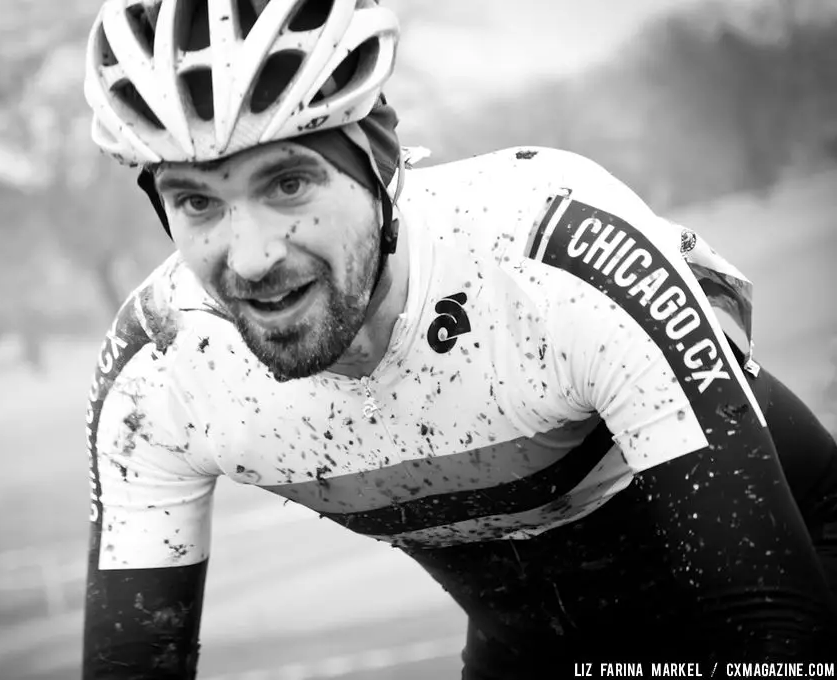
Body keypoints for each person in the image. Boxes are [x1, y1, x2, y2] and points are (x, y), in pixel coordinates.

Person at [79, 1, 837, 677]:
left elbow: (775, 633)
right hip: (534, 645)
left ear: (377, 164)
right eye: (197, 201)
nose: (251, 257)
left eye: (288, 184)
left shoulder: (552, 256)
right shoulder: (163, 371)